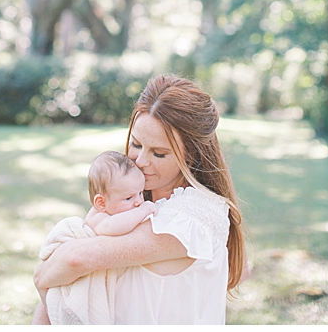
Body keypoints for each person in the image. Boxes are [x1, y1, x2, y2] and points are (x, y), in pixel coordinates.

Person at [33, 75, 248, 324]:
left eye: (159, 153)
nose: (140, 161)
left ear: (190, 156)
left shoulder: (194, 215)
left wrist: (41, 277)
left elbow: (75, 259)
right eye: (136, 144)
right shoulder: (133, 202)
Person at [37, 152, 158, 324]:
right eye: (129, 198)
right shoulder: (99, 217)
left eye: (140, 193)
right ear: (101, 202)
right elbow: (115, 227)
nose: (138, 201)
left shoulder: (119, 209)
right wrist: (143, 211)